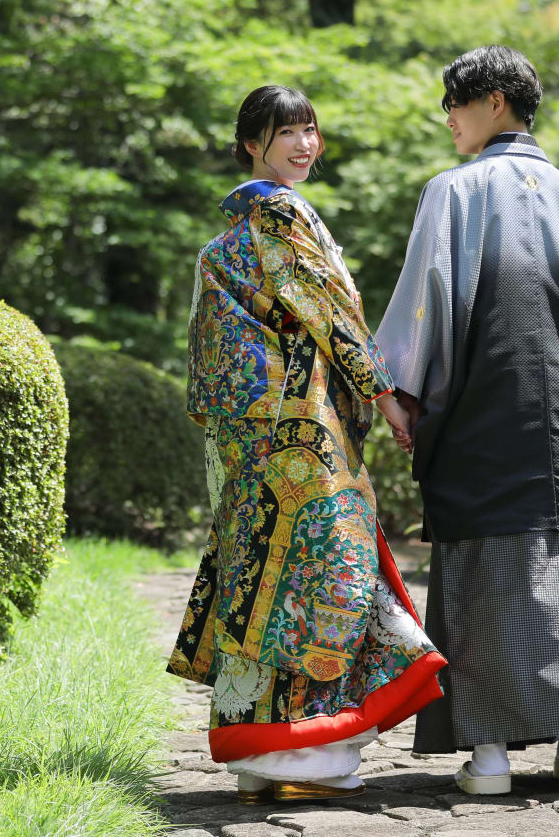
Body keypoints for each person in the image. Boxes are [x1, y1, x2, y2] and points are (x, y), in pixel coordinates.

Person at [168, 84, 447, 805]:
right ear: (250, 144)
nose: (303, 145)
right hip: (303, 429)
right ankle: (308, 757)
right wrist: (385, 395)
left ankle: (256, 757)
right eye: (285, 131)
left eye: (309, 130)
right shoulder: (283, 214)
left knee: (256, 574)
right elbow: (331, 314)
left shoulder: (232, 234)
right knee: (322, 576)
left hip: (252, 439)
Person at [375, 46, 559, 795]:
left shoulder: (454, 191)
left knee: (486, 559)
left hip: (484, 402)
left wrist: (396, 390)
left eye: (455, 104)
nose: (448, 120)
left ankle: (488, 758)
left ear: (493, 101)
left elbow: (426, 298)